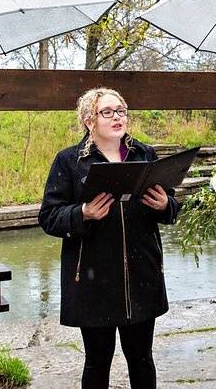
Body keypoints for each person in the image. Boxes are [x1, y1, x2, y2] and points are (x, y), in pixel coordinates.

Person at [39, 87, 179, 389]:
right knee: (97, 361)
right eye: (107, 112)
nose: (117, 117)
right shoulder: (69, 162)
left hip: (141, 275)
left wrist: (166, 205)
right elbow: (49, 217)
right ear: (90, 120)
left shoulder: (145, 155)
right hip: (92, 280)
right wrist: (83, 213)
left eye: (121, 111)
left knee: (142, 357)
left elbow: (172, 205)